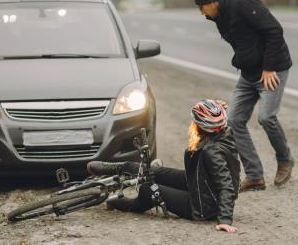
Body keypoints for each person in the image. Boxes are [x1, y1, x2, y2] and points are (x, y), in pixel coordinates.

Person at [194, 0, 294, 191]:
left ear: (211, 2)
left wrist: (268, 67)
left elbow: (274, 31)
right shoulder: (220, 16)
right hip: (249, 75)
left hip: (271, 70)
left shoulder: (243, 4)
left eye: (201, 7)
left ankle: (285, 159)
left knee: (266, 117)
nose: (201, 13)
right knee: (234, 121)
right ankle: (255, 176)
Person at [87, 99, 240, 233]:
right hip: (200, 184)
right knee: (154, 171)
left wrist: (225, 220)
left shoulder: (212, 152)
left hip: (202, 206)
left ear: (201, 126)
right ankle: (119, 167)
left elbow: (226, 185)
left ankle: (130, 204)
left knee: (149, 189)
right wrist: (217, 109)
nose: (192, 124)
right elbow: (217, 122)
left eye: (194, 121)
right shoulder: (224, 132)